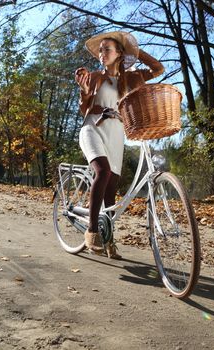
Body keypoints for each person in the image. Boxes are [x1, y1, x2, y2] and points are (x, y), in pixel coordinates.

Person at [75, 31, 164, 258]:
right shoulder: (94, 77)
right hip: (92, 128)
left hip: (116, 135)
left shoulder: (129, 79)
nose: (101, 53)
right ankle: (92, 231)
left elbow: (158, 69)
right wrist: (85, 93)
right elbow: (84, 110)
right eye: (100, 50)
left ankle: (108, 240)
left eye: (107, 49)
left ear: (119, 54)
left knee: (111, 192)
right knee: (102, 172)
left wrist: (135, 52)